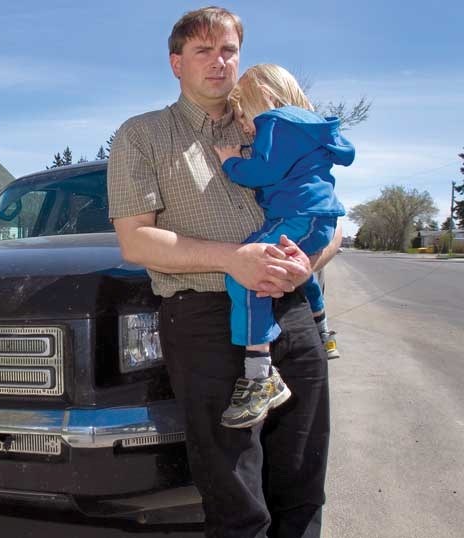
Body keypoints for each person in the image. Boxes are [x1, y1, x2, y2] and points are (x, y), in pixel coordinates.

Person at [107, 6, 340, 538]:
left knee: (303, 481)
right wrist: (233, 258)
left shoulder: (274, 122)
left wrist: (308, 262)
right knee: (235, 495)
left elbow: (332, 216)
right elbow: (135, 239)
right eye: (202, 51)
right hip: (207, 319)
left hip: (294, 310)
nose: (218, 62)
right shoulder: (142, 135)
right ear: (176, 62)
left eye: (228, 50)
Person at [213, 64, 353, 428]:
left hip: (299, 217)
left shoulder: (275, 122)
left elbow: (263, 172)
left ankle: (260, 375)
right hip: (315, 218)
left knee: (247, 272)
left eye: (244, 115)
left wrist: (230, 162)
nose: (245, 125)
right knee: (298, 270)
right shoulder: (305, 127)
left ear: (265, 99)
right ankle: (324, 331)